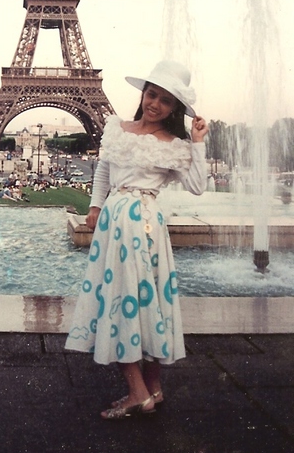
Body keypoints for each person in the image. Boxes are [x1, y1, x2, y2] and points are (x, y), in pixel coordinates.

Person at [65, 60, 208, 420]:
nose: (155, 104)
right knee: (143, 299)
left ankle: (138, 393)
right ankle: (152, 388)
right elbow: (104, 170)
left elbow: (197, 186)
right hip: (117, 220)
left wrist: (198, 143)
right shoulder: (118, 129)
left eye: (165, 100)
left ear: (175, 109)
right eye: (152, 94)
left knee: (127, 298)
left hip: (142, 224)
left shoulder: (173, 145)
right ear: (143, 93)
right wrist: (95, 206)